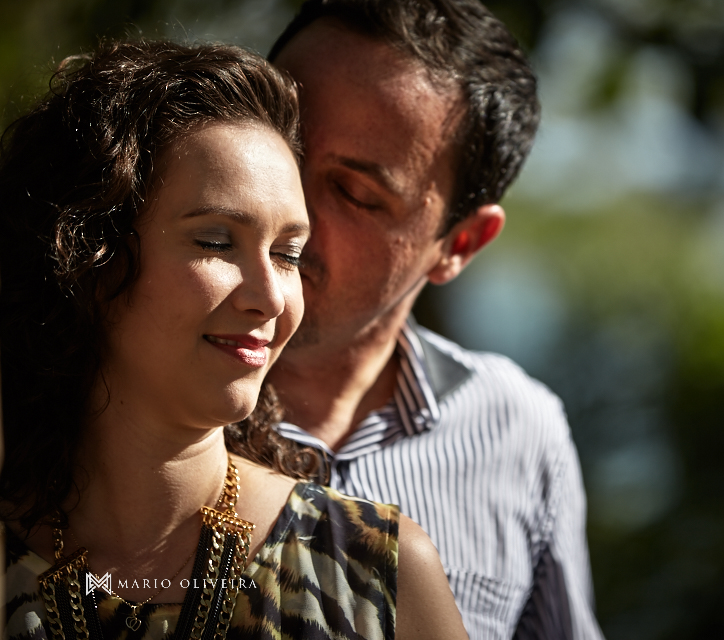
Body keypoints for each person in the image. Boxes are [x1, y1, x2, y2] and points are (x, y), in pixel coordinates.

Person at [0, 39, 467, 640]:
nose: (270, 298)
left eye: (288, 254)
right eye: (216, 242)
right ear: (89, 256)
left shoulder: (374, 574)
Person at [266, 1, 605, 638]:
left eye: (355, 194)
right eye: (282, 147)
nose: (291, 211)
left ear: (460, 244)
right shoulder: (117, 385)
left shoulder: (518, 434)